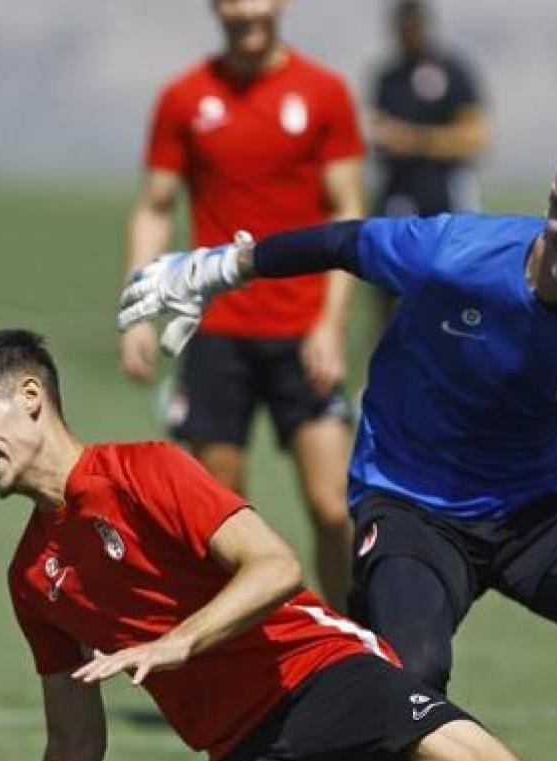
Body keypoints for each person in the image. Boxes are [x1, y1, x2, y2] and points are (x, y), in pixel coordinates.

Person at [119, 128, 557, 761]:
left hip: (542, 507)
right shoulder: (457, 254)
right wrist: (218, 268)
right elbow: (343, 242)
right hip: (413, 503)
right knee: (411, 672)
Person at [0, 329, 528, 761]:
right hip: (240, 745)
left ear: (31, 398)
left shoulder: (145, 471)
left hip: (320, 672)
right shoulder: (33, 579)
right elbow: (73, 746)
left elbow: (276, 565)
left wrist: (180, 641)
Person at [117, 0, 365, 609]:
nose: (244, 9)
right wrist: (139, 307)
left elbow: (348, 210)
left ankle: (364, 651)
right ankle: (249, 668)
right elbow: (154, 207)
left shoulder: (324, 92)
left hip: (302, 330)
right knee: (224, 516)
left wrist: (331, 323)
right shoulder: (184, 98)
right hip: (217, 331)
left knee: (333, 505)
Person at [368, 0, 488, 219]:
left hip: (448, 189)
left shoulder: (452, 72)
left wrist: (415, 140)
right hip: (399, 193)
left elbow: (475, 137)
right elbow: (377, 127)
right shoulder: (389, 78)